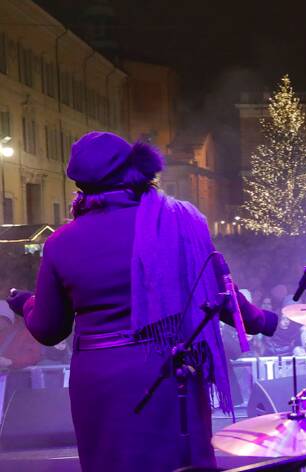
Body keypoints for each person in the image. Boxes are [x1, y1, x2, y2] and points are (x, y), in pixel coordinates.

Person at [6, 132, 278, 472]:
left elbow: (48, 329)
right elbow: (216, 288)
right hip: (172, 371)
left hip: (103, 380)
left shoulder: (62, 241)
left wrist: (27, 304)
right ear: (136, 170)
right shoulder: (178, 221)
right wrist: (262, 320)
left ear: (80, 184)